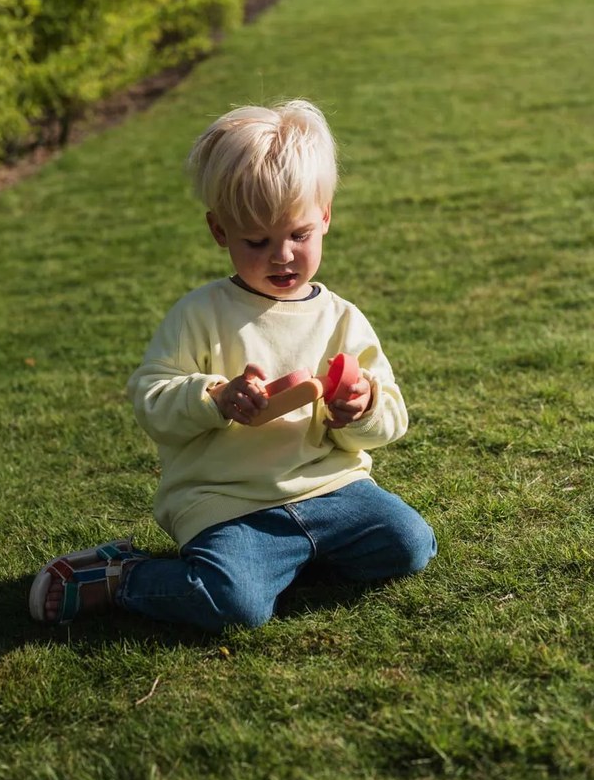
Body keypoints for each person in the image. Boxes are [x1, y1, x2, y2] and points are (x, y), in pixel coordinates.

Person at [30, 100, 436, 631]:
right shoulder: (200, 315)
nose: (282, 255)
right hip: (228, 504)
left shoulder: (341, 318)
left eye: (299, 234)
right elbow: (151, 399)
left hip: (332, 490)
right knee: (232, 603)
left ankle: (286, 563)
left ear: (326, 217)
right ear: (219, 231)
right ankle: (119, 575)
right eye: (256, 241)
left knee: (410, 544)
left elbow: (391, 418)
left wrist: (362, 407)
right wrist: (215, 397)